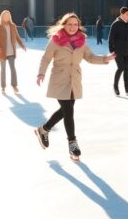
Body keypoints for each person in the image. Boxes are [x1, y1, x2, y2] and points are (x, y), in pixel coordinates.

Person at [34, 13, 115, 160]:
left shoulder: (81, 41)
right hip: (59, 79)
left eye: (75, 24)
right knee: (68, 110)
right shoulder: (56, 40)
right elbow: (46, 58)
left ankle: (44, 129)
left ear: (79, 26)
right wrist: (41, 73)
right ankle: (72, 143)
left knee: (66, 110)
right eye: (69, 24)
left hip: (74, 80)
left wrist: (105, 59)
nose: (72, 27)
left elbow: (90, 57)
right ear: (64, 25)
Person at [108, 7, 128, 95]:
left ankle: (127, 88)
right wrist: (111, 50)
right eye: (127, 14)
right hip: (117, 51)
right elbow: (110, 38)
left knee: (126, 69)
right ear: (122, 14)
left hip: (127, 50)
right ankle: (115, 86)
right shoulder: (116, 24)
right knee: (121, 68)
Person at [0, 10, 26, 94]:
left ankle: (14, 86)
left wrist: (22, 45)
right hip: (2, 52)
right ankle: (3, 87)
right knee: (3, 70)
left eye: (8, 16)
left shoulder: (13, 26)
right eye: (5, 16)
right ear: (2, 17)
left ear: (9, 17)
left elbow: (17, 37)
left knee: (13, 69)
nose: (6, 17)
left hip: (11, 51)